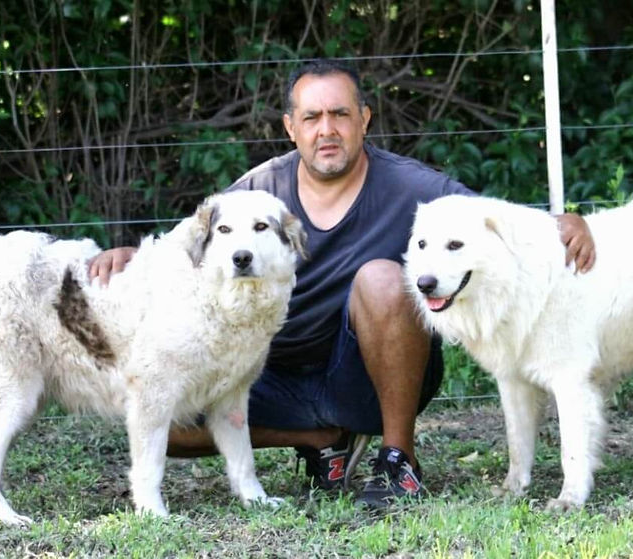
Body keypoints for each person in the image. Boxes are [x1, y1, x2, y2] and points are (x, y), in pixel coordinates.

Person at [89, 59, 596, 508]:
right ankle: (320, 439)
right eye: (311, 117)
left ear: (364, 120)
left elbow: (487, 218)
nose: (326, 129)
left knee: (382, 278)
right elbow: (190, 240)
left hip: (367, 375)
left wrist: (560, 222)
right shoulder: (259, 190)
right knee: (164, 416)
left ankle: (398, 462)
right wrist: (133, 254)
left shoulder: (411, 185)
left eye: (340, 114)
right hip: (269, 374)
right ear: (291, 127)